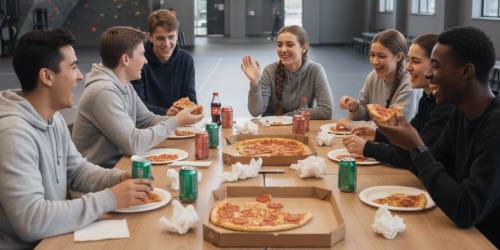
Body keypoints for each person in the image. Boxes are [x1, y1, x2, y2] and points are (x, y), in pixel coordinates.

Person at [0, 28, 153, 249]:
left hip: (56, 235)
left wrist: (118, 179)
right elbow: (31, 221)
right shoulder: (13, 133)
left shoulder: (54, 119)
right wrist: (109, 198)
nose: (80, 75)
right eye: (73, 67)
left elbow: (77, 170)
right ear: (46, 76)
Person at [373, 26, 500, 248]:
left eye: (436, 66)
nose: (429, 74)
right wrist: (402, 143)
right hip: (458, 231)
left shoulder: (495, 124)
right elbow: (436, 162)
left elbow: (466, 210)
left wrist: (417, 148)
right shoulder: (461, 112)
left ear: (466, 71)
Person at [72, 26, 203, 169]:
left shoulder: (124, 85)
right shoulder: (103, 92)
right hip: (102, 179)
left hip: (120, 167)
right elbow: (134, 144)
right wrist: (175, 122)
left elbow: (147, 120)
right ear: (125, 59)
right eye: (142, 54)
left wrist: (181, 120)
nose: (145, 61)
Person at [342, 33, 454, 170]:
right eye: (409, 60)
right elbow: (408, 140)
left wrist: (368, 148)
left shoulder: (446, 107)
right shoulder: (427, 98)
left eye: (416, 61)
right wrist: (378, 134)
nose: (407, 67)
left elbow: (415, 154)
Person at [242, 25, 333, 119]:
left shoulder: (315, 70)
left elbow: (326, 110)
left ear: (304, 48)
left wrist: (288, 116)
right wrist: (254, 83)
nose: (283, 49)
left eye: (289, 45)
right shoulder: (269, 71)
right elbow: (255, 111)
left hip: (300, 128)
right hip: (272, 129)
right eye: (279, 45)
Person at [336, 29, 422, 130]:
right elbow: (366, 115)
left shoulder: (409, 84)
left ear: (398, 57)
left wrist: (349, 124)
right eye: (372, 55)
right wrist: (355, 108)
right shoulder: (373, 77)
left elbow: (394, 127)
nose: (375, 61)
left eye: (381, 56)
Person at [131, 9, 196, 116]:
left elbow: (191, 99)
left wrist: (194, 109)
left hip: (179, 123)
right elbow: (138, 105)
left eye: (171, 37)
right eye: (160, 38)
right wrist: (166, 113)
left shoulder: (186, 60)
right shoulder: (139, 61)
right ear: (150, 37)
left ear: (177, 35)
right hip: (148, 124)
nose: (166, 44)